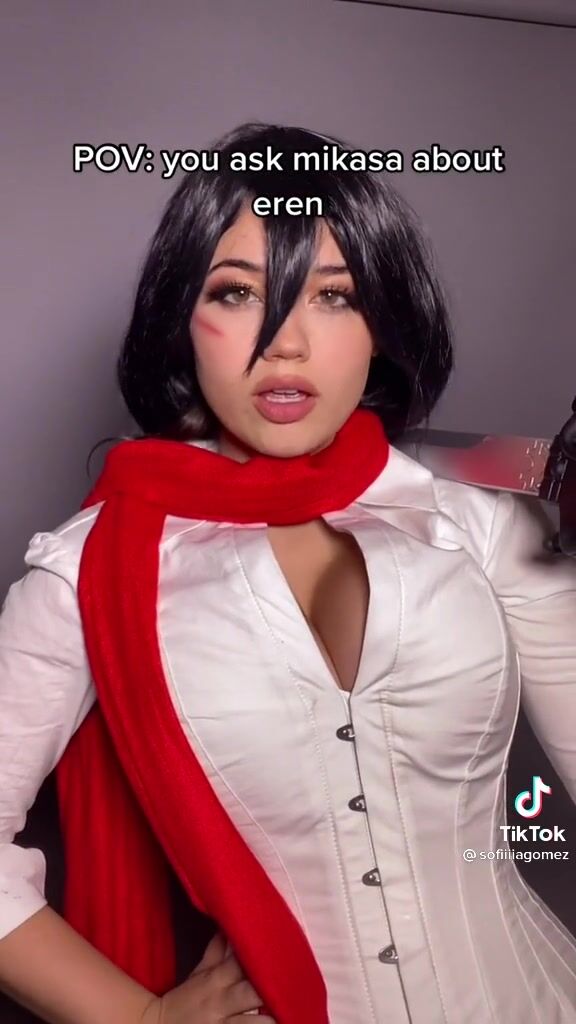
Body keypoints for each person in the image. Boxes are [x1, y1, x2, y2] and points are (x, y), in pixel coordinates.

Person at [0, 120, 575, 1024]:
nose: (288, 344)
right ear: (179, 319)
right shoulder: (86, 573)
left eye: (335, 296)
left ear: (382, 325)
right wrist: (140, 1018)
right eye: (237, 293)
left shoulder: (484, 524)